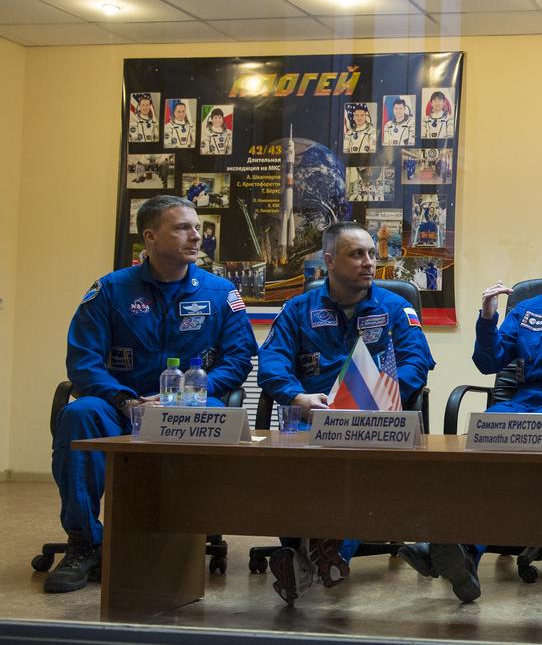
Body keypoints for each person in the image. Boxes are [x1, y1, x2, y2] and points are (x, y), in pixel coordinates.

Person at [399, 227, 542, 593]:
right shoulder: (527, 309)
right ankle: (459, 554)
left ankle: (462, 548)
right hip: (521, 402)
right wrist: (488, 317)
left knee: (530, 444)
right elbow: (487, 361)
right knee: (473, 445)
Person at [48, 196, 256, 593]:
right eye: (182, 228)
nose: (196, 235)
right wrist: (124, 399)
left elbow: (239, 358)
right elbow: (83, 361)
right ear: (150, 236)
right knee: (80, 414)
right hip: (123, 405)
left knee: (214, 412)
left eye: (196, 227)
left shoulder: (220, 292)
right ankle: (84, 544)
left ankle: (181, 540)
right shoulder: (110, 291)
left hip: (190, 404)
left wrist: (197, 390)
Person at [257, 221, 435, 606]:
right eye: (357, 254)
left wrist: (379, 397)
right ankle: (310, 554)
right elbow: (271, 363)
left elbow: (415, 364)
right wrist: (297, 395)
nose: (369, 262)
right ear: (329, 261)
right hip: (312, 417)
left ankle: (314, 556)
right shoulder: (298, 309)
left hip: (373, 418)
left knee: (355, 468)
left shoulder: (395, 308)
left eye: (372, 254)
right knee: (286, 464)